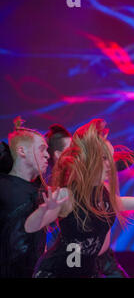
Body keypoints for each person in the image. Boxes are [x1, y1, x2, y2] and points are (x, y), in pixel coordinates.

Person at [24, 119, 134, 278]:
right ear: (90, 161)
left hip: (86, 270)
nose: (111, 163)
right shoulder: (67, 194)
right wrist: (44, 210)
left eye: (111, 157)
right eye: (104, 158)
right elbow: (31, 227)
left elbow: (119, 202)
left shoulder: (103, 191)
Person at [44, 123, 134, 277]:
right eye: (72, 147)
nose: (79, 150)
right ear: (58, 154)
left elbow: (111, 166)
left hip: (95, 249)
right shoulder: (62, 185)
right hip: (73, 251)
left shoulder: (89, 174)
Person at [0, 117, 49, 277]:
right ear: (22, 151)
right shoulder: (3, 186)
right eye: (42, 149)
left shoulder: (40, 190)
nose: (47, 155)